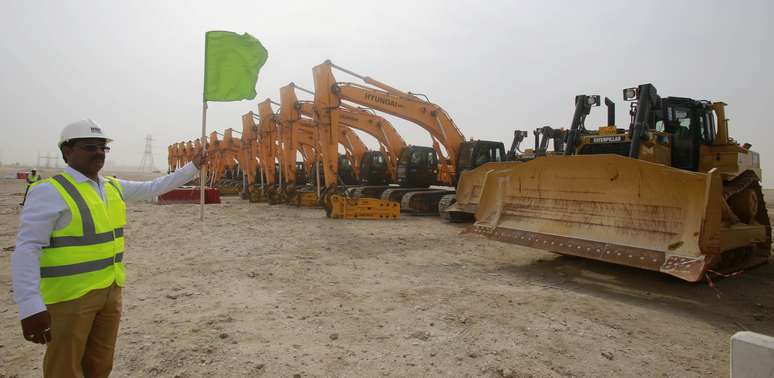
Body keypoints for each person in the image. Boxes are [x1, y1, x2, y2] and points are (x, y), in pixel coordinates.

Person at [11, 119, 206, 378]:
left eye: (103, 148)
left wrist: (192, 167)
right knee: (64, 368)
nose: (99, 153)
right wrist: (29, 305)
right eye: (90, 147)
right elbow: (27, 249)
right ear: (67, 152)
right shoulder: (50, 191)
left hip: (109, 291)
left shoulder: (111, 187)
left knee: (100, 364)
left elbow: (153, 188)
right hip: (69, 298)